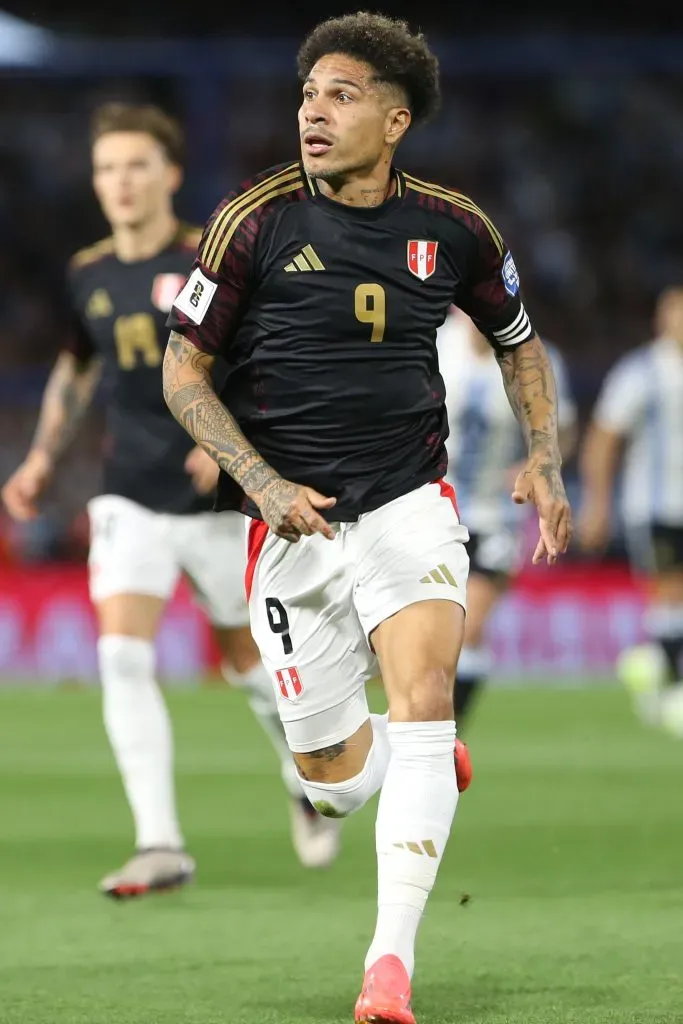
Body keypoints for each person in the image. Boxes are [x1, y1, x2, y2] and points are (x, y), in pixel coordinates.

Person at [163, 13, 572, 1023]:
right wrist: (257, 483)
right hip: (290, 524)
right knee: (333, 782)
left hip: (407, 503)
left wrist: (544, 457)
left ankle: (387, 965)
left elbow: (517, 341)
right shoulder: (251, 220)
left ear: (393, 121)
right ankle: (395, 758)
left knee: (426, 692)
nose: (312, 109)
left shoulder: (455, 227)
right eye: (306, 93)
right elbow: (183, 369)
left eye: (338, 95)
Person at [1, 102, 340, 898]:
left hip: (217, 496)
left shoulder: (208, 258)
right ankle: (160, 843)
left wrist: (220, 437)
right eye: (107, 168)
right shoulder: (87, 271)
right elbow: (80, 364)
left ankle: (304, 776)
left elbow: (265, 357)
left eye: (136, 166)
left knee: (245, 662)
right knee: (120, 651)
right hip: (129, 495)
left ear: (170, 175)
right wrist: (43, 457)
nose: (119, 182)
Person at [438, 308, 577, 727]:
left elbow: (562, 428)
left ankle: (448, 728)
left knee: (470, 626)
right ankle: (428, 727)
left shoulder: (533, 355)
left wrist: (535, 463)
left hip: (498, 512)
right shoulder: (432, 344)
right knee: (436, 629)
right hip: (435, 510)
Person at [579, 285, 683, 737]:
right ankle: (674, 691)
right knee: (669, 595)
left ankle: (647, 663)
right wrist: (597, 503)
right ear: (662, 318)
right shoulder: (642, 372)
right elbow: (604, 437)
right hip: (656, 506)